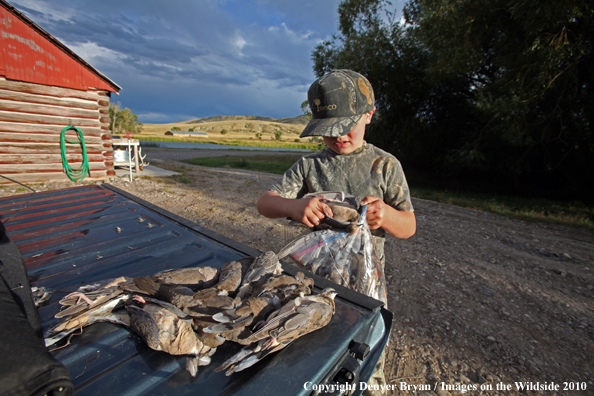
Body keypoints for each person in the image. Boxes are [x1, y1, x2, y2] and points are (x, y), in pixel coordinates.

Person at [256, 69, 416, 395]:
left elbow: (409, 226)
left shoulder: (385, 166)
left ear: (369, 115)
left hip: (365, 284)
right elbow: (264, 203)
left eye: (346, 127)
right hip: (313, 280)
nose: (338, 136)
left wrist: (385, 215)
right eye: (329, 131)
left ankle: (369, 385)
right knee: (311, 347)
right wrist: (294, 207)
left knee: (363, 351)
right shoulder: (308, 166)